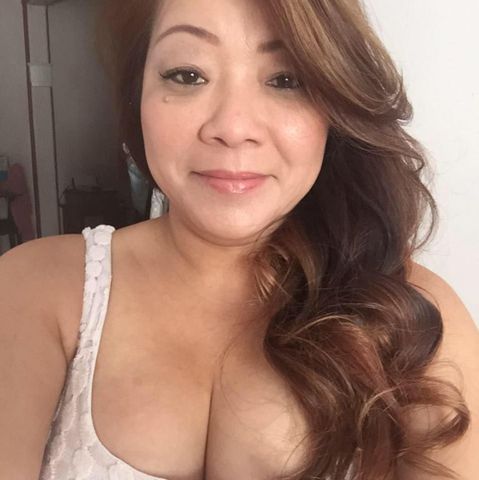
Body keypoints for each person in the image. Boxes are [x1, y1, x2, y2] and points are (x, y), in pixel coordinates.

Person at [1, 0, 478, 479]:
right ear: (136, 94)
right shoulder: (37, 288)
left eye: (286, 79)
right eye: (187, 75)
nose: (232, 129)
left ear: (336, 104)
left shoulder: (415, 319)